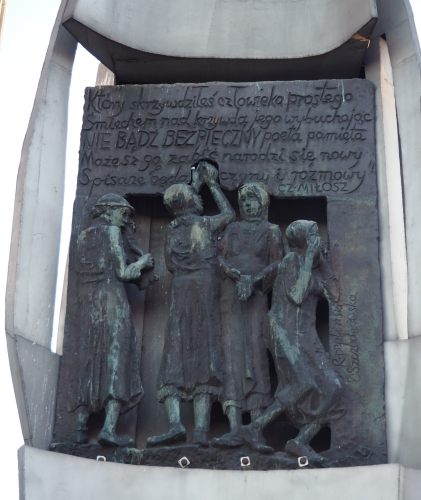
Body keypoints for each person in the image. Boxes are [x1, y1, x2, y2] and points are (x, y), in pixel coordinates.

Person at [147, 161, 235, 448]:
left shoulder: (173, 228)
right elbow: (228, 214)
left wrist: (194, 187)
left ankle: (174, 424)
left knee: (176, 350)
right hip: (204, 288)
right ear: (190, 202)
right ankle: (200, 431)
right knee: (205, 350)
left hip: (181, 289)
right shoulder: (205, 224)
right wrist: (211, 185)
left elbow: (171, 264)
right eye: (195, 196)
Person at [241, 220, 345, 456]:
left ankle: (300, 441)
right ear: (302, 240)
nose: (317, 239)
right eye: (312, 235)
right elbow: (297, 296)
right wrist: (309, 258)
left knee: (333, 387)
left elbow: (334, 295)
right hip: (283, 330)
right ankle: (254, 428)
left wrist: (324, 262)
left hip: (304, 335)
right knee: (302, 383)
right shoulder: (291, 262)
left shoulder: (313, 267)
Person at [72, 193, 155, 447]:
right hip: (111, 302)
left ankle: (79, 428)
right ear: (108, 211)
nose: (125, 219)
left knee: (90, 360)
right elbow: (123, 272)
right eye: (122, 213)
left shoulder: (83, 236)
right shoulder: (111, 234)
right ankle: (109, 428)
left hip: (89, 304)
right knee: (117, 360)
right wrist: (143, 262)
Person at [212, 182, 283, 449]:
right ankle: (233, 428)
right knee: (230, 354)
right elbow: (218, 258)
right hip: (230, 297)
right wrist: (234, 275)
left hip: (255, 298)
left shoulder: (272, 231)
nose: (249, 206)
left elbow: (278, 263)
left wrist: (254, 280)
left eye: (253, 201)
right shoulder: (232, 229)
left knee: (255, 353)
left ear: (263, 203)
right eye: (245, 202)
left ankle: (255, 428)